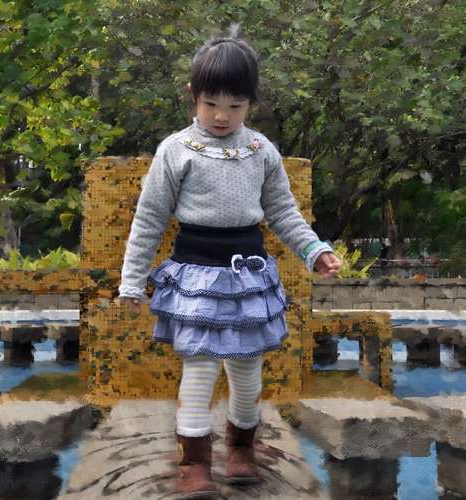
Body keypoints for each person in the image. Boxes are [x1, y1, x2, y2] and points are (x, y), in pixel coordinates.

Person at [119, 25, 341, 499]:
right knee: (199, 369)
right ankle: (194, 462)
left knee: (246, 370)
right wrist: (131, 283)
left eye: (235, 106)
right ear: (192, 95)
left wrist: (314, 250)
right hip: (195, 278)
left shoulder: (261, 151)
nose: (222, 116)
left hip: (248, 280)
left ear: (251, 103)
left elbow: (283, 213)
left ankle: (241, 448)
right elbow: (149, 219)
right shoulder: (175, 151)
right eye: (211, 103)